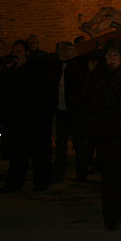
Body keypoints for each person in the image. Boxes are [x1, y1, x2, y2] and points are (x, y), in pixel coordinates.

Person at [84, 39, 121, 231]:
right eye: (109, 55)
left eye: (116, 55)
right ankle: (111, 216)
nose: (112, 59)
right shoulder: (97, 77)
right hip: (108, 135)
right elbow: (94, 104)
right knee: (110, 178)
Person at [0, 40, 51, 192]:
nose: (16, 54)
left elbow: (37, 90)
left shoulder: (34, 69)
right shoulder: (10, 71)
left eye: (19, 51)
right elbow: (2, 89)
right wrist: (3, 70)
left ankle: (41, 183)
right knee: (17, 155)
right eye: (14, 51)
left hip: (33, 119)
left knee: (37, 154)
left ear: (26, 52)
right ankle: (13, 184)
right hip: (15, 120)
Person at [51, 41, 90, 183]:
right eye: (59, 50)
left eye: (64, 50)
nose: (62, 53)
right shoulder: (57, 67)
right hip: (61, 111)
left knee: (79, 144)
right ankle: (58, 173)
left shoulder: (78, 65)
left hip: (76, 111)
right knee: (60, 144)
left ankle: (81, 174)